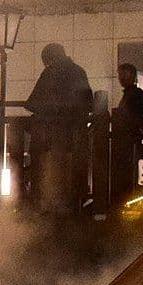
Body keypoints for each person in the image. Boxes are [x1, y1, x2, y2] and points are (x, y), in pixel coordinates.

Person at [23, 45, 93, 216]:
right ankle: (74, 204)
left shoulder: (51, 72)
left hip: (51, 136)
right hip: (75, 136)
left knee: (51, 175)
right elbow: (89, 102)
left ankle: (50, 207)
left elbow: (33, 103)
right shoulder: (78, 72)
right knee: (72, 174)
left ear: (49, 59)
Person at [112, 63, 143, 191]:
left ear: (132, 75)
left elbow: (133, 117)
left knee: (129, 169)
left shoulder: (135, 94)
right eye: (120, 75)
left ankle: (129, 192)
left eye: (123, 74)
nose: (120, 78)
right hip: (129, 139)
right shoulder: (132, 93)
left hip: (129, 139)